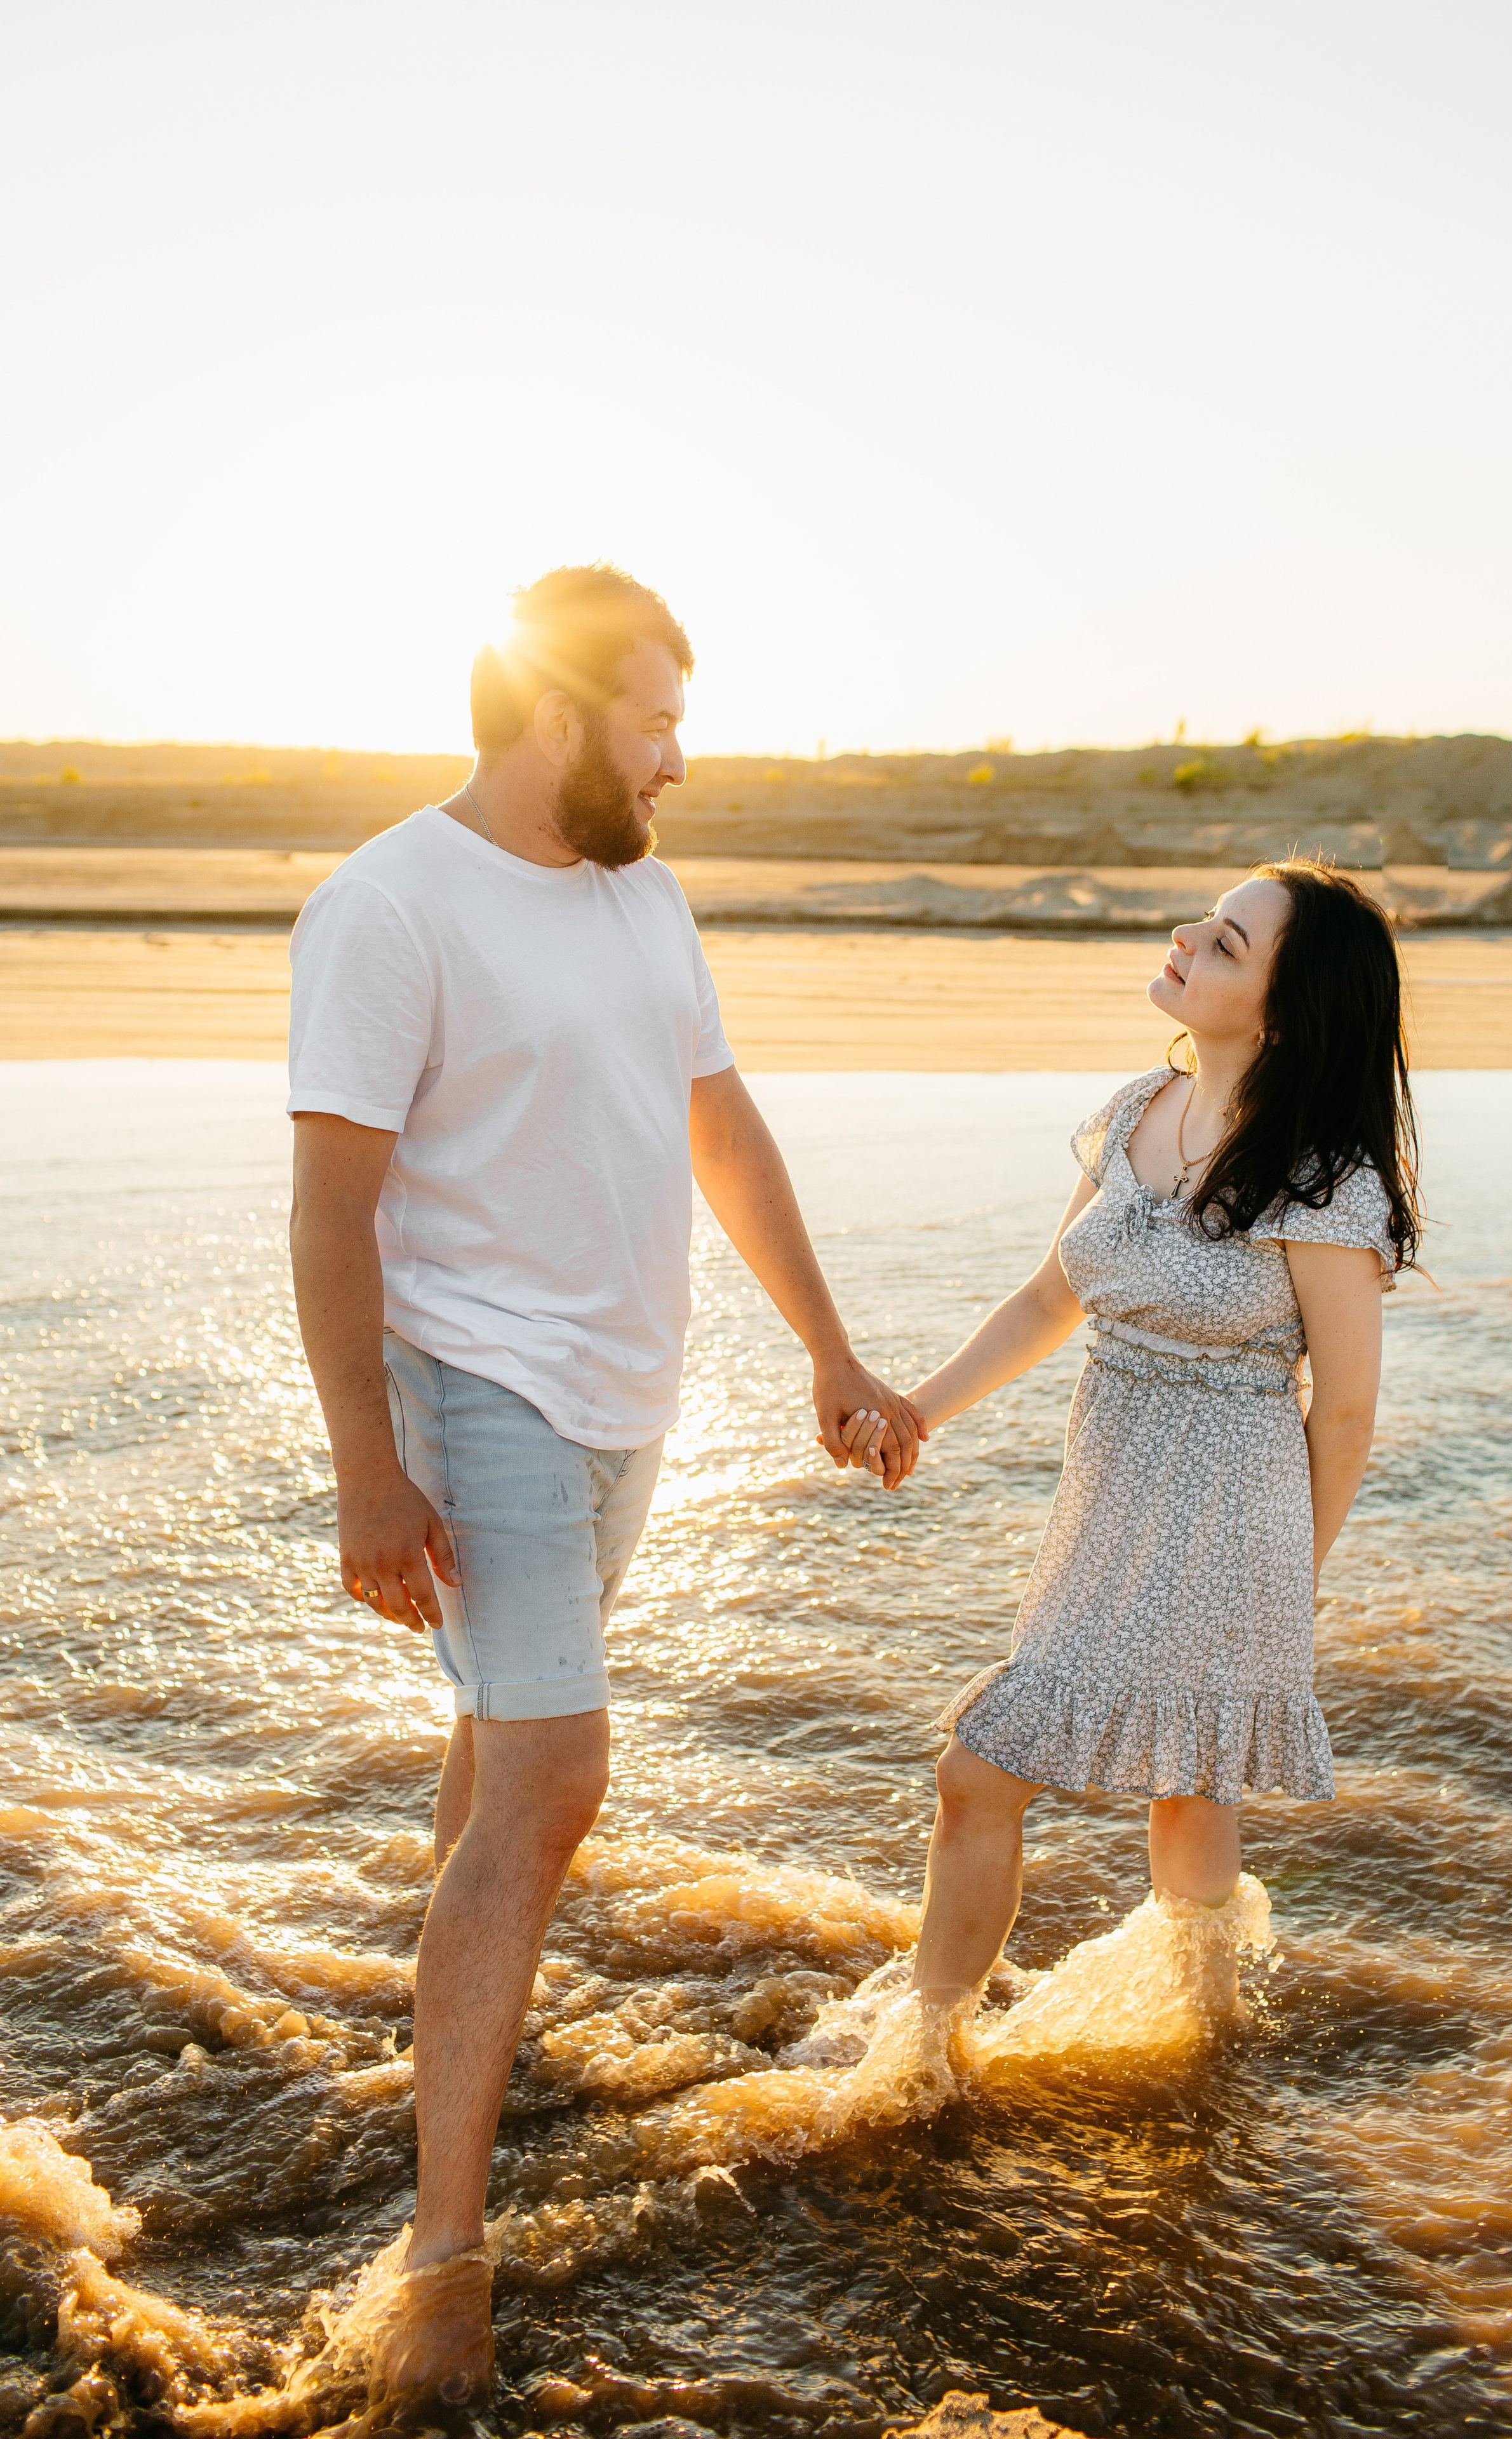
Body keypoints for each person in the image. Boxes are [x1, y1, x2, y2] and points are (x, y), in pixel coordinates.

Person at [286, 564, 918, 2419]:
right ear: (555, 714)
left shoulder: (645, 891)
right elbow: (331, 1211)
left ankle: (452, 2019)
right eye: (654, 721)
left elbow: (717, 1120)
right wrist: (366, 1474)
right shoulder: (390, 903)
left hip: (633, 1397)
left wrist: (830, 1344)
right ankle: (444, 2264)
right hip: (478, 1381)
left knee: (500, 1753)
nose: (678, 760)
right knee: (560, 1775)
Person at [841, 861, 1419, 2022]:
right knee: (1186, 1794)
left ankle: (930, 2047)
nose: (1184, 939)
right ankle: (1183, 2034)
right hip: (1109, 1497)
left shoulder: (1322, 1178)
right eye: (1204, 922)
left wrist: (1281, 1583)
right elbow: (1049, 1301)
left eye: (1226, 944)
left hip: (1231, 1513)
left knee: (994, 1767)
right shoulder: (1130, 1114)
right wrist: (917, 1412)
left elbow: (1346, 1409)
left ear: (1286, 1006)